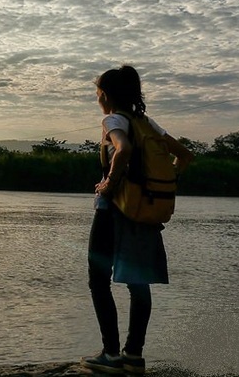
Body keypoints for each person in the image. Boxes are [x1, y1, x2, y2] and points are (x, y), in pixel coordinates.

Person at [81, 65, 194, 375]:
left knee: (98, 279)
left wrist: (109, 184)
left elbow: (124, 148)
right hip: (145, 210)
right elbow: (184, 156)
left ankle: (111, 355)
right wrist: (160, 185)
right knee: (138, 283)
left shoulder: (113, 119)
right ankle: (134, 356)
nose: (97, 98)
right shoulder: (147, 123)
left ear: (104, 95)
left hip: (114, 211)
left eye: (97, 93)